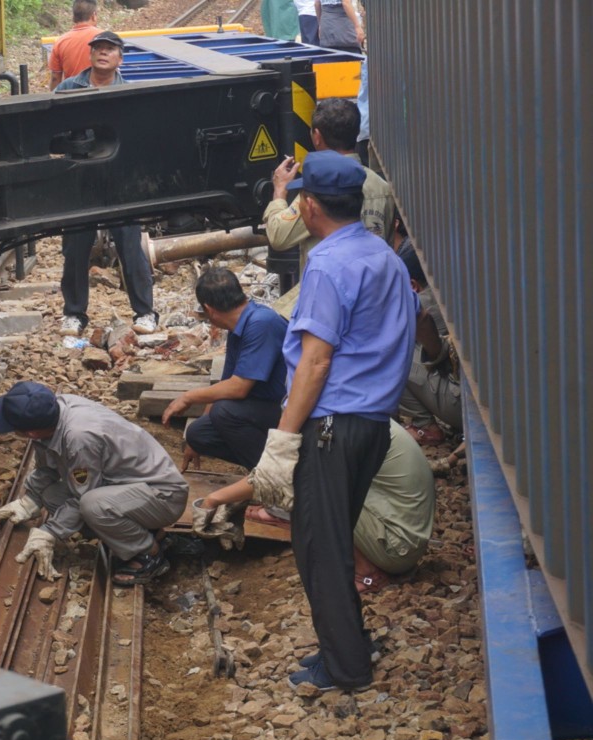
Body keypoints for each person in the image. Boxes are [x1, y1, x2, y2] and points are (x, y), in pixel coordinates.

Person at [248, 151, 418, 691]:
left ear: (310, 204)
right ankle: (347, 646)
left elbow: (316, 360)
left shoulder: (326, 263)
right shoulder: (384, 256)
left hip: (331, 424)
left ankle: (346, 668)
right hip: (372, 423)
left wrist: (283, 438)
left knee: (320, 548)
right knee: (335, 539)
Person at [0, 381, 189, 586]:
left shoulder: (79, 438)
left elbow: (82, 496)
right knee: (52, 496)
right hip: (130, 487)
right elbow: (48, 464)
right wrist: (30, 500)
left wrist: (50, 532)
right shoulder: (56, 410)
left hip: (163, 496)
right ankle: (145, 533)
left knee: (92, 504)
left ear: (32, 433)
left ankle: (149, 554)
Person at [194, 421, 435, 594]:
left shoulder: (339, 428)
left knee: (313, 488)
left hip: (396, 546)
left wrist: (214, 499)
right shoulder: (362, 416)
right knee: (318, 480)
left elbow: (284, 474)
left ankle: (367, 572)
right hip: (403, 533)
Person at [55, 31, 159, 338]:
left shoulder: (128, 92)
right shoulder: (68, 88)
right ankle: (74, 314)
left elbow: (140, 138)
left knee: (130, 244)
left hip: (119, 181)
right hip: (81, 179)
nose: (102, 53)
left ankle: (146, 312)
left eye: (109, 50)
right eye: (98, 49)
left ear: (119, 59)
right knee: (75, 247)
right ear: (90, 56)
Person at [161, 268, 288, 471]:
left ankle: (272, 477)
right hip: (260, 408)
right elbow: (225, 385)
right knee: (198, 433)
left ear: (209, 309)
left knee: (225, 412)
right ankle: (262, 467)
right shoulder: (238, 329)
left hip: (287, 409)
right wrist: (195, 434)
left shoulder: (262, 323)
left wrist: (188, 397)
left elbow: (238, 388)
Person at [264, 98, 394, 272]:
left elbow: (278, 236)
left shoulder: (320, 187)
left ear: (317, 136)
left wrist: (279, 191)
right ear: (356, 132)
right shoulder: (382, 187)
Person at [392, 217, 462, 445]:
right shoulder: (453, 288)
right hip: (488, 399)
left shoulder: (425, 301)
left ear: (413, 285)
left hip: (464, 404)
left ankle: (425, 428)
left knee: (390, 354)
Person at [49, 0, 101, 90]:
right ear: (94, 16)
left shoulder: (60, 42)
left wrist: (53, 98)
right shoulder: (104, 37)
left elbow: (55, 78)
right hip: (101, 93)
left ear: (74, 17)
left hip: (72, 94)